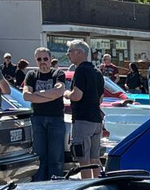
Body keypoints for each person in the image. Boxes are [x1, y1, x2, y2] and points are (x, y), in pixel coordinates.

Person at [22, 47, 68, 180]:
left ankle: (55, 186)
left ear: (50, 59)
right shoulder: (31, 75)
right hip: (37, 119)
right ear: (36, 61)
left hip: (56, 119)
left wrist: (36, 94)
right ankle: (39, 186)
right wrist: (50, 95)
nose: (43, 62)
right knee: (39, 157)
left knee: (56, 157)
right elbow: (26, 96)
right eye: (39, 59)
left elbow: (58, 92)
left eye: (45, 59)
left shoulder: (58, 74)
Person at [66, 40, 104, 179]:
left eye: (70, 51)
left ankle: (86, 187)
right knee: (95, 158)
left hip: (83, 120)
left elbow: (77, 96)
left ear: (80, 52)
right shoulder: (97, 72)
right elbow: (101, 99)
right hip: (96, 121)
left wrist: (66, 93)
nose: (68, 54)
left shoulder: (81, 70)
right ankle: (99, 185)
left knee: (84, 160)